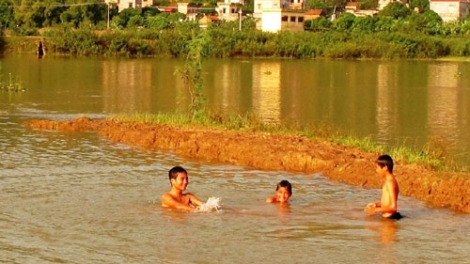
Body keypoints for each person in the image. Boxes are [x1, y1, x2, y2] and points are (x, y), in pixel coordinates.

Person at [364, 155, 401, 219]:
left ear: (385, 167)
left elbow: (393, 207)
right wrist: (376, 205)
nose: (376, 170)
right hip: (387, 218)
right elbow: (387, 203)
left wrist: (375, 210)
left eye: (378, 168)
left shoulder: (390, 183)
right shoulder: (389, 181)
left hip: (390, 219)